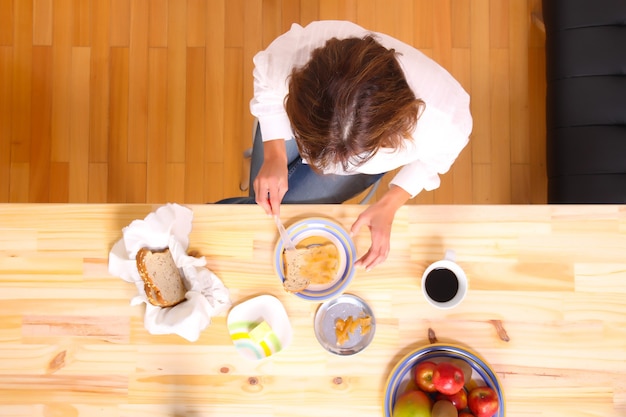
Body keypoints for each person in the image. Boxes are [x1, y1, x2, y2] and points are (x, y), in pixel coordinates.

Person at [218, 20, 472, 271]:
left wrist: (391, 202)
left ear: (392, 130)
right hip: (302, 118)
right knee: (258, 209)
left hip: (359, 161)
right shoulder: (300, 52)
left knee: (264, 210)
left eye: (349, 153)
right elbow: (266, 83)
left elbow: (436, 159)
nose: (322, 165)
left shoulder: (446, 116)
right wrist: (274, 153)